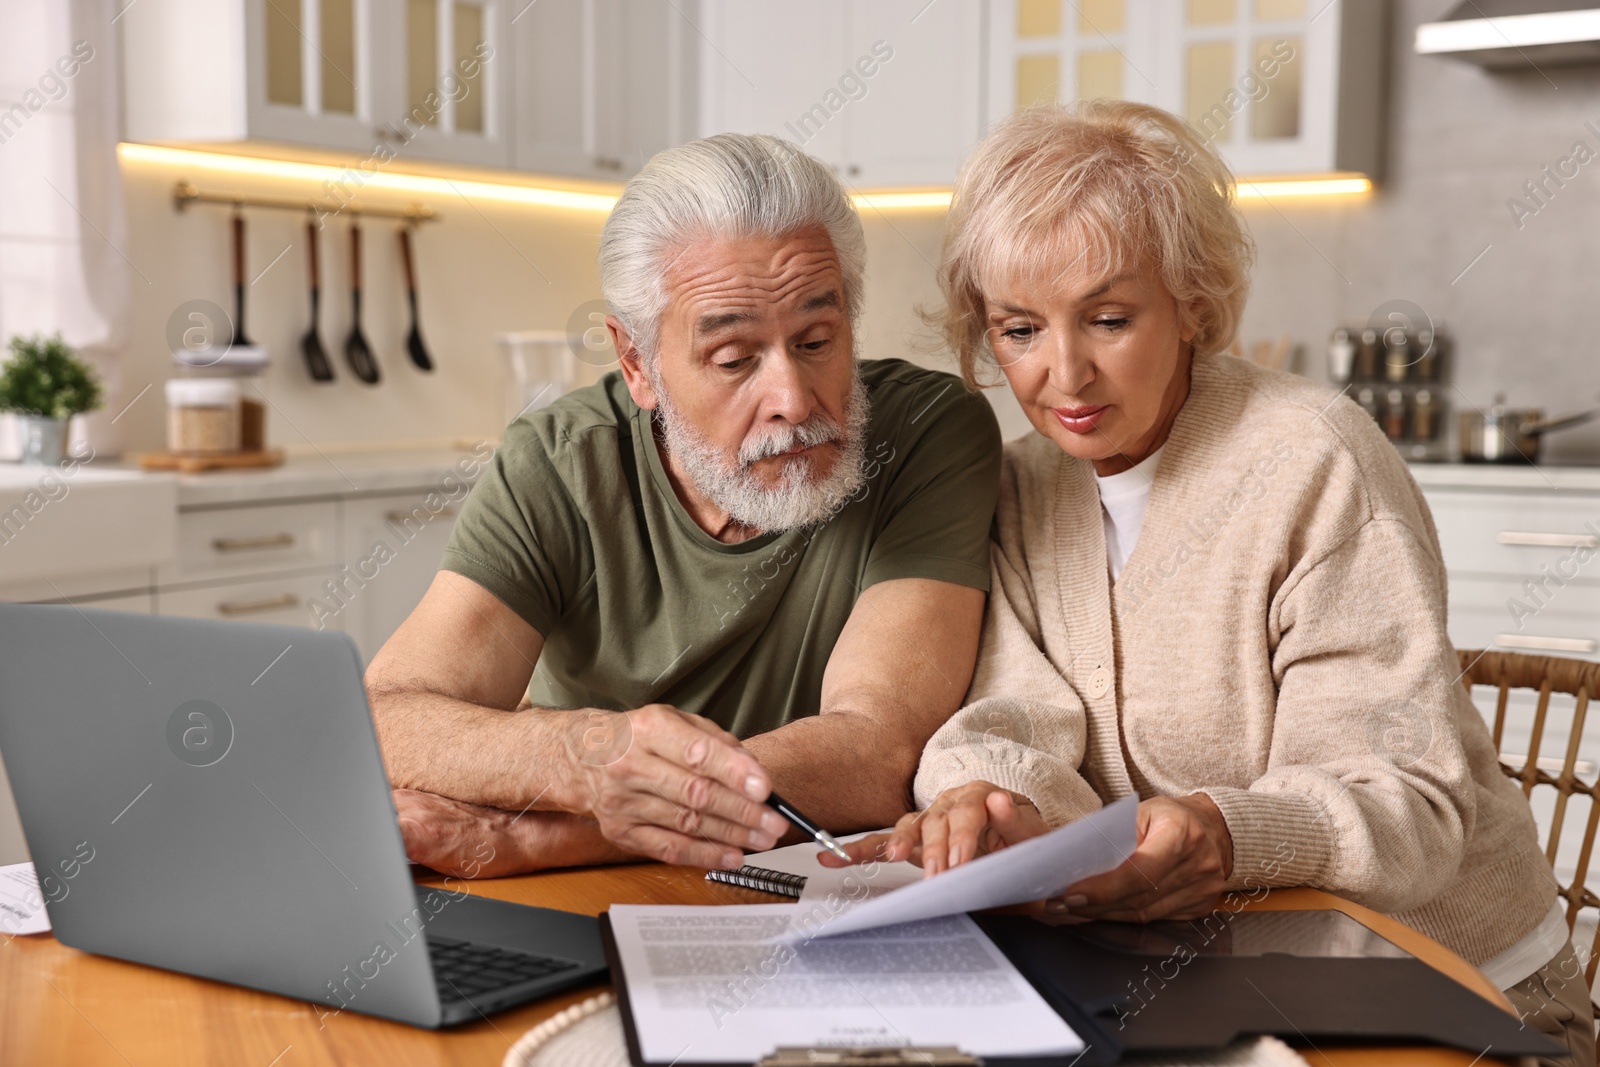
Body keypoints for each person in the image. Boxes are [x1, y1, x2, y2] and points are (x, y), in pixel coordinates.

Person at [825, 101, 1592, 1063]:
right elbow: (1012, 712)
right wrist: (990, 796)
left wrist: (1227, 834)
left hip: (1451, 994)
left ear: (1190, 300)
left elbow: (1409, 799)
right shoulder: (1020, 485)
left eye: (1109, 318)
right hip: (1192, 991)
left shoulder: (1315, 460)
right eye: (1019, 329)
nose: (1065, 373)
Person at [365, 133, 1002, 881]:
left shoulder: (928, 432)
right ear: (638, 364)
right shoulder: (563, 460)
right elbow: (385, 716)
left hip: (788, 883)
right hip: (587, 895)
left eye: (818, 340)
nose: (794, 400)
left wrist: (563, 834)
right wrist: (587, 757)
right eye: (735, 360)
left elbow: (877, 753)